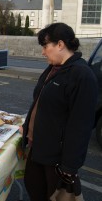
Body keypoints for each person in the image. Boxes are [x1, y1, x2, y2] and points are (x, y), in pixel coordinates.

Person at [21, 22, 98, 201]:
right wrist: (27, 128)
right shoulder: (54, 68)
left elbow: (81, 125)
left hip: (56, 158)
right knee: (34, 189)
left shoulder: (82, 75)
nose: (43, 52)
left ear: (60, 44)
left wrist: (69, 167)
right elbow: (39, 102)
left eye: (45, 46)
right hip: (37, 148)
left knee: (53, 196)